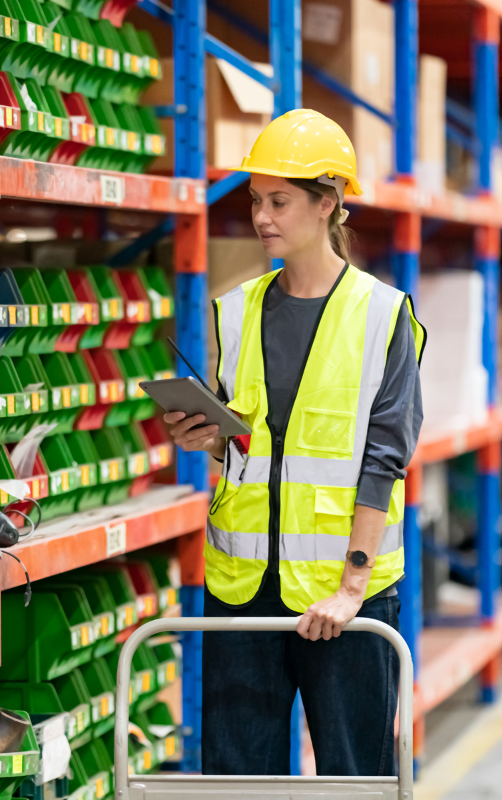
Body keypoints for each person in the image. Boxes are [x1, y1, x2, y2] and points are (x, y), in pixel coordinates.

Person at [163, 109, 426, 777]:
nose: (262, 216)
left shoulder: (381, 313)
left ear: (327, 203)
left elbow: (382, 460)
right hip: (243, 591)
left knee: (354, 781)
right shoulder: (238, 307)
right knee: (235, 783)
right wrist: (209, 440)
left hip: (341, 596)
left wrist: (352, 587)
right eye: (256, 200)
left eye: (279, 200)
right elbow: (254, 454)